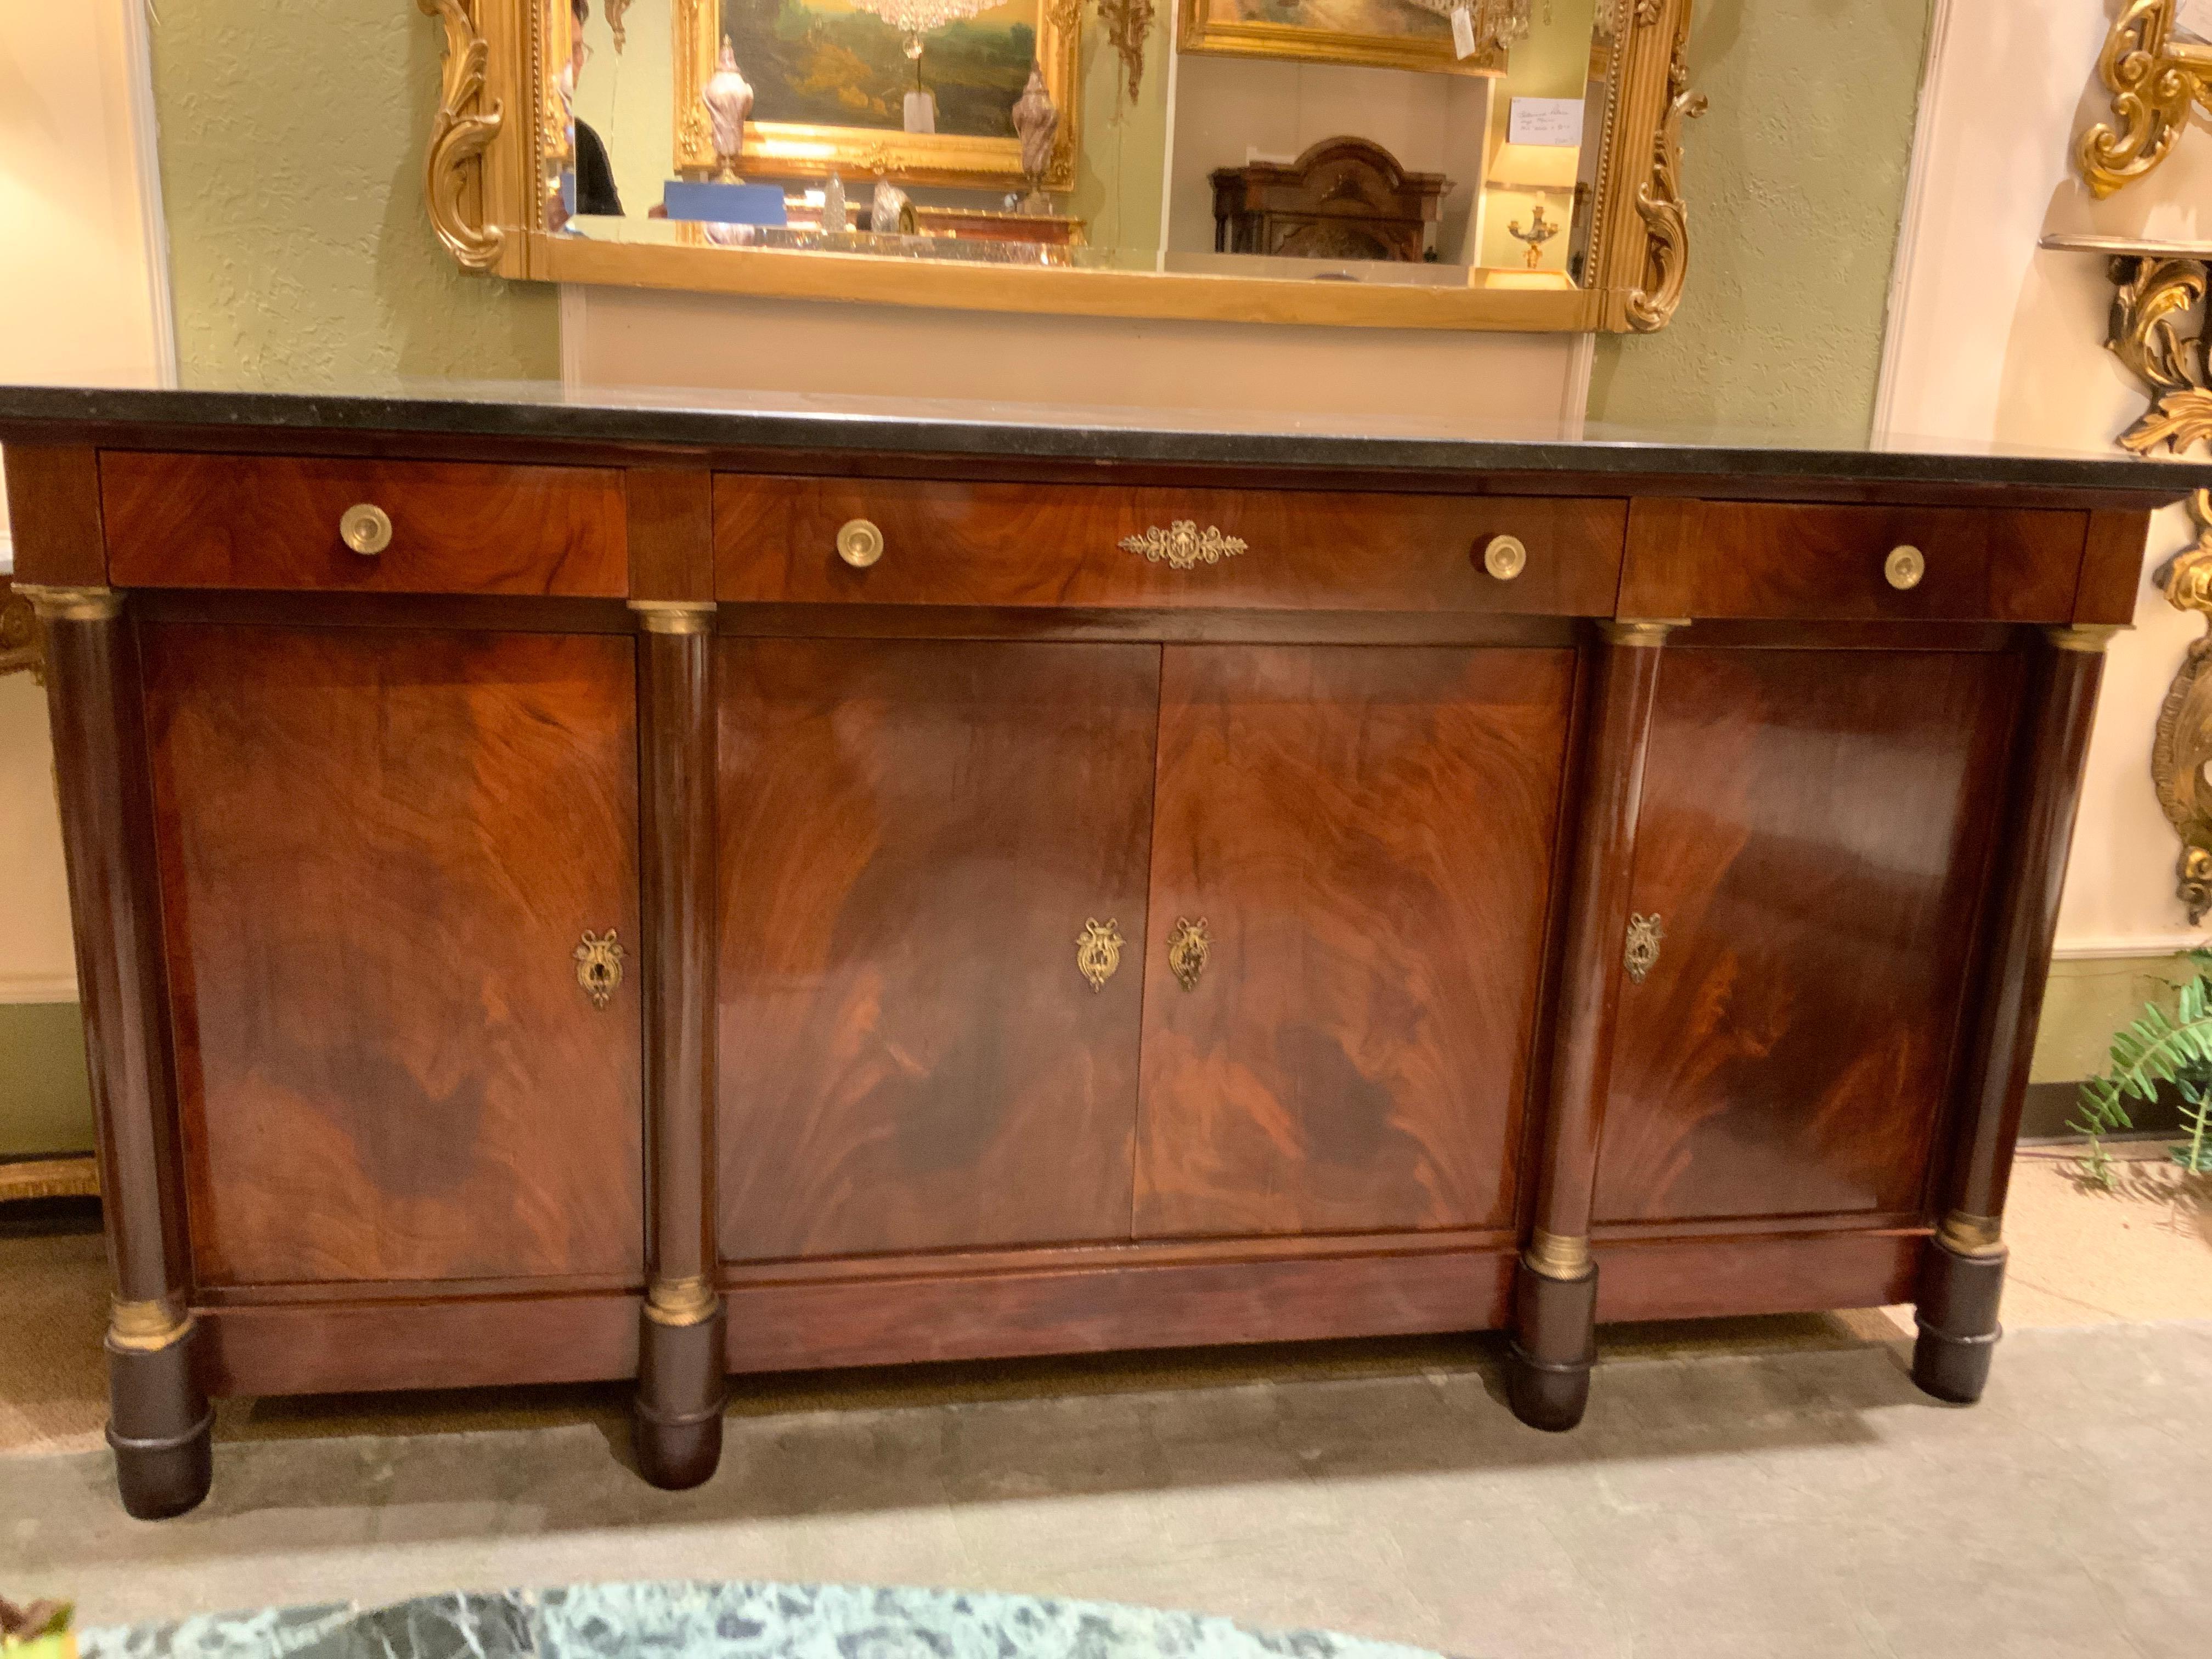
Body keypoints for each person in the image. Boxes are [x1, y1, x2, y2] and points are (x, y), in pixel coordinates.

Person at [566, 0, 623, 218]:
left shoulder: (585, 141)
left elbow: (610, 239)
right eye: (572, 49)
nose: (579, 61)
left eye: (580, 48)